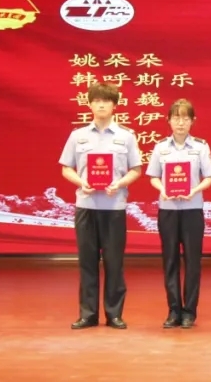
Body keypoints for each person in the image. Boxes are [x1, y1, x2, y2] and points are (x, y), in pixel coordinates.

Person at [58, 82, 142, 330]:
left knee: (114, 263)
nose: (101, 105)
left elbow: (136, 170)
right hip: (86, 206)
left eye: (106, 101)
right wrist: (81, 182)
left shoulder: (126, 136)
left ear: (115, 105)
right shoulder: (78, 135)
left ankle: (114, 314)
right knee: (87, 262)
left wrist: (120, 183)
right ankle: (88, 314)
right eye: (96, 100)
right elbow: (66, 168)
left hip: (114, 207)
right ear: (90, 104)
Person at [145, 99, 211, 329]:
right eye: (176, 118)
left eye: (186, 118)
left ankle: (190, 312)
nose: (181, 123)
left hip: (192, 210)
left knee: (193, 261)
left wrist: (195, 190)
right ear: (168, 120)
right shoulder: (160, 147)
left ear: (193, 121)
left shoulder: (200, 147)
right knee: (170, 260)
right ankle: (173, 310)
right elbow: (153, 176)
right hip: (168, 211)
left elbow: (210, 177)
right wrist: (162, 189)